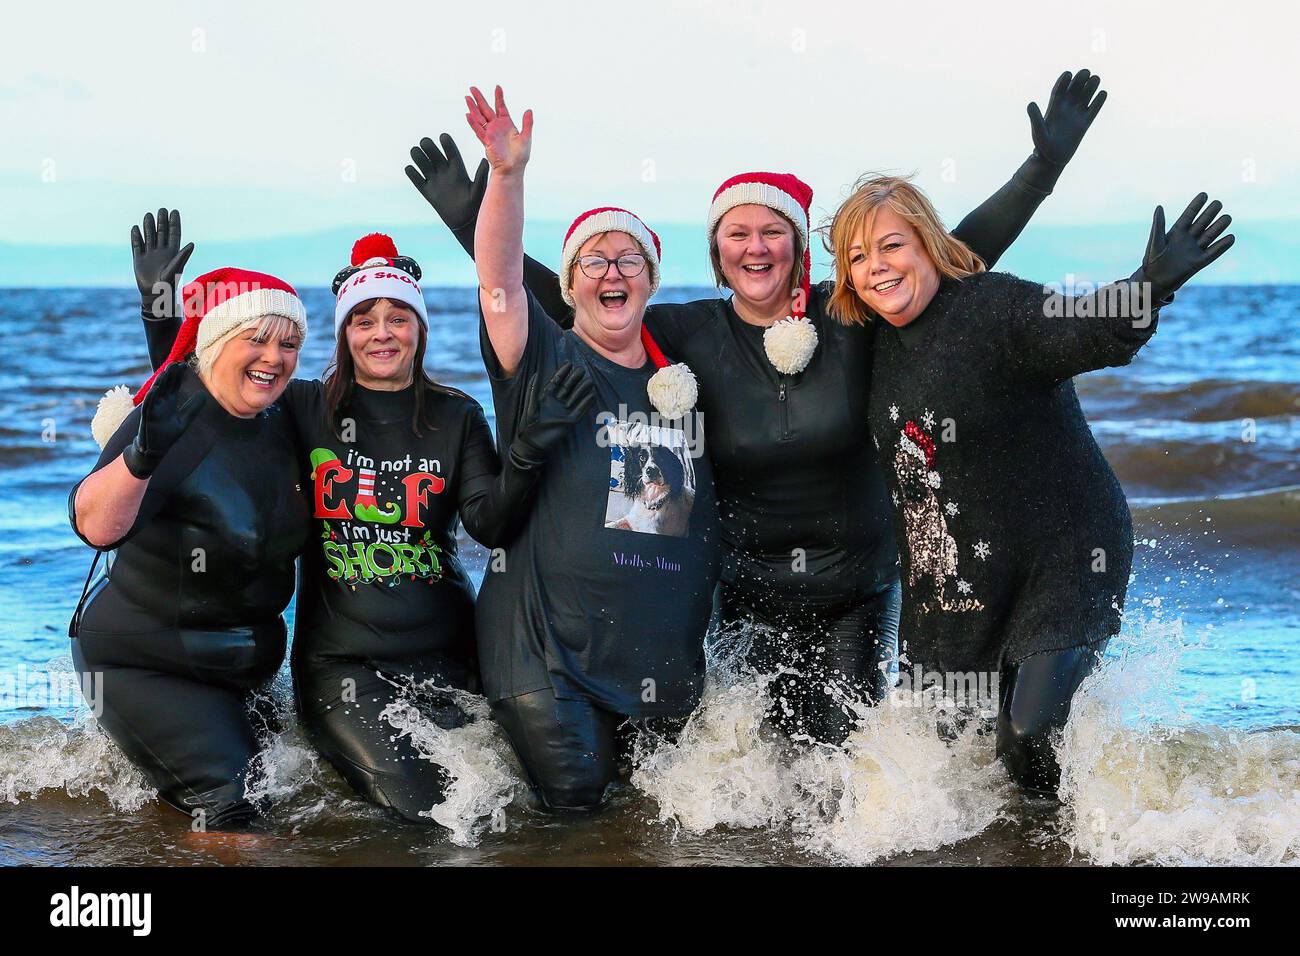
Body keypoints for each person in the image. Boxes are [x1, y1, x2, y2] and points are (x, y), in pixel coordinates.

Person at [408, 70, 1106, 744]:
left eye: (771, 231)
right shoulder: (685, 335)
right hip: (741, 592)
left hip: (853, 590)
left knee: (836, 774)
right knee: (750, 779)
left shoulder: (851, 316)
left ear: (798, 245)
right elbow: (575, 299)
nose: (754, 247)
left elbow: (949, 257)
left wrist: (1039, 169)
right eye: (736, 234)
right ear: (716, 251)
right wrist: (475, 216)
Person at [128, 214, 591, 824]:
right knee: (435, 818)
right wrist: (161, 316)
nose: (382, 334)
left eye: (398, 318)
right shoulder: (304, 407)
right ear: (345, 332)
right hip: (345, 669)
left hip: (453, 658)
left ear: (420, 329)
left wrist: (534, 443)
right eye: (364, 320)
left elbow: (490, 524)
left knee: (532, 805)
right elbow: (209, 399)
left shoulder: (457, 416)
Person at [824, 176, 1234, 791]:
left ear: (930, 244)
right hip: (955, 578)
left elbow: (1084, 329)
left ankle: (1064, 843)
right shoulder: (868, 343)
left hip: (1064, 552)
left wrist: (1152, 285)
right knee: (942, 758)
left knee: (1027, 732)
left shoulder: (994, 307)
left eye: (892, 245)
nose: (877, 267)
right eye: (858, 257)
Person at [467, 86, 720, 809]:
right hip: (551, 657)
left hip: (658, 664)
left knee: (646, 828)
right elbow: (501, 281)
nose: (613, 272)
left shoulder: (684, 381)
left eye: (629, 259)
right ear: (571, 284)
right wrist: (506, 178)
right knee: (578, 815)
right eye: (595, 261)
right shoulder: (544, 356)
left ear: (651, 280)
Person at [71, 263, 310, 830]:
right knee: (235, 814)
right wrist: (140, 459)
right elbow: (95, 526)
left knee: (297, 795)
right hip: (146, 663)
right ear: (219, 341)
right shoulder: (170, 420)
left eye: (290, 343)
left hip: (240, 667)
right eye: (256, 338)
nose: (274, 356)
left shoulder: (285, 418)